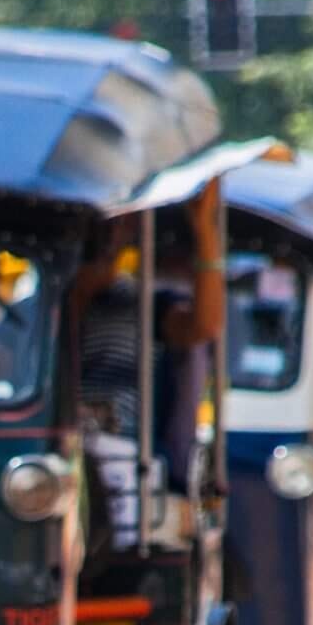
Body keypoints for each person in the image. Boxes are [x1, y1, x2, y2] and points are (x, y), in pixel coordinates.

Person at [69, 182, 227, 546]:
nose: (114, 231)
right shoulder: (47, 303)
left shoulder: (143, 304)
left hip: (121, 463)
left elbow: (205, 324)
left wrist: (204, 229)